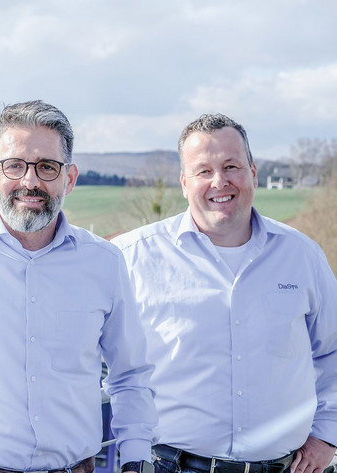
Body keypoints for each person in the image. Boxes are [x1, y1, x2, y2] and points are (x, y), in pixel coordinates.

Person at [0, 99, 157, 473]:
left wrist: (135, 458)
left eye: (47, 166)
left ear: (70, 178)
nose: (30, 181)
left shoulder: (104, 261)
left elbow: (130, 374)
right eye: (14, 165)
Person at [112, 113, 337, 473]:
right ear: (184, 183)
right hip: (169, 465)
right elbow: (85, 359)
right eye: (203, 170)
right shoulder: (131, 258)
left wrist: (327, 435)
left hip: (287, 467)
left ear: (253, 173)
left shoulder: (302, 256)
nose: (220, 181)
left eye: (231, 166)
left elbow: (333, 351)